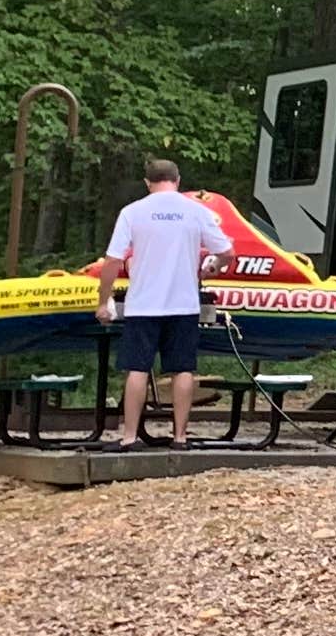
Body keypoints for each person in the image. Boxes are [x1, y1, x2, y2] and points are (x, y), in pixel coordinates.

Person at [89, 157, 232, 446]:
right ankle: (180, 436)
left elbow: (113, 260)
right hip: (184, 304)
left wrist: (104, 302)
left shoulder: (132, 212)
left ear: (147, 182)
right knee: (183, 369)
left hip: (143, 304)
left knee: (137, 368)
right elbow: (227, 252)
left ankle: (130, 436)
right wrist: (213, 266)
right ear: (178, 181)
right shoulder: (196, 211)